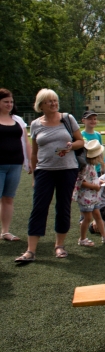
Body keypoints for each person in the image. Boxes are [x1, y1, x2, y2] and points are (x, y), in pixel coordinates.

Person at [15, 89, 84, 262]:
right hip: (44, 171)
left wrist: (70, 146)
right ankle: (30, 251)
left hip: (67, 170)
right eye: (49, 101)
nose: (54, 104)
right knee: (38, 208)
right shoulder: (36, 124)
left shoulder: (67, 118)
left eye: (55, 100)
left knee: (63, 207)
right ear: (41, 105)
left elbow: (80, 141)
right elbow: (34, 152)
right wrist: (33, 175)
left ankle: (59, 246)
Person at [0, 89, 31, 242]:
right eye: (6, 102)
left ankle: (5, 231)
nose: (9, 104)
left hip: (15, 165)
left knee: (8, 199)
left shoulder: (17, 120)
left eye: (11, 102)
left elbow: (25, 141)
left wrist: (29, 161)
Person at [73, 140, 105, 246]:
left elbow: (91, 178)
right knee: (87, 218)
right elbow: (80, 181)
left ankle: (104, 236)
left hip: (93, 196)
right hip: (86, 196)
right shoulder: (85, 166)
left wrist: (99, 182)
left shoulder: (91, 165)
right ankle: (82, 239)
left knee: (98, 215)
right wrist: (94, 186)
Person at [80, 110, 105, 176]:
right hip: (85, 168)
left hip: (97, 168)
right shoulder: (80, 135)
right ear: (83, 121)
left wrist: (102, 166)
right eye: (90, 119)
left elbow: (100, 152)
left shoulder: (98, 135)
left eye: (94, 119)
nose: (93, 121)